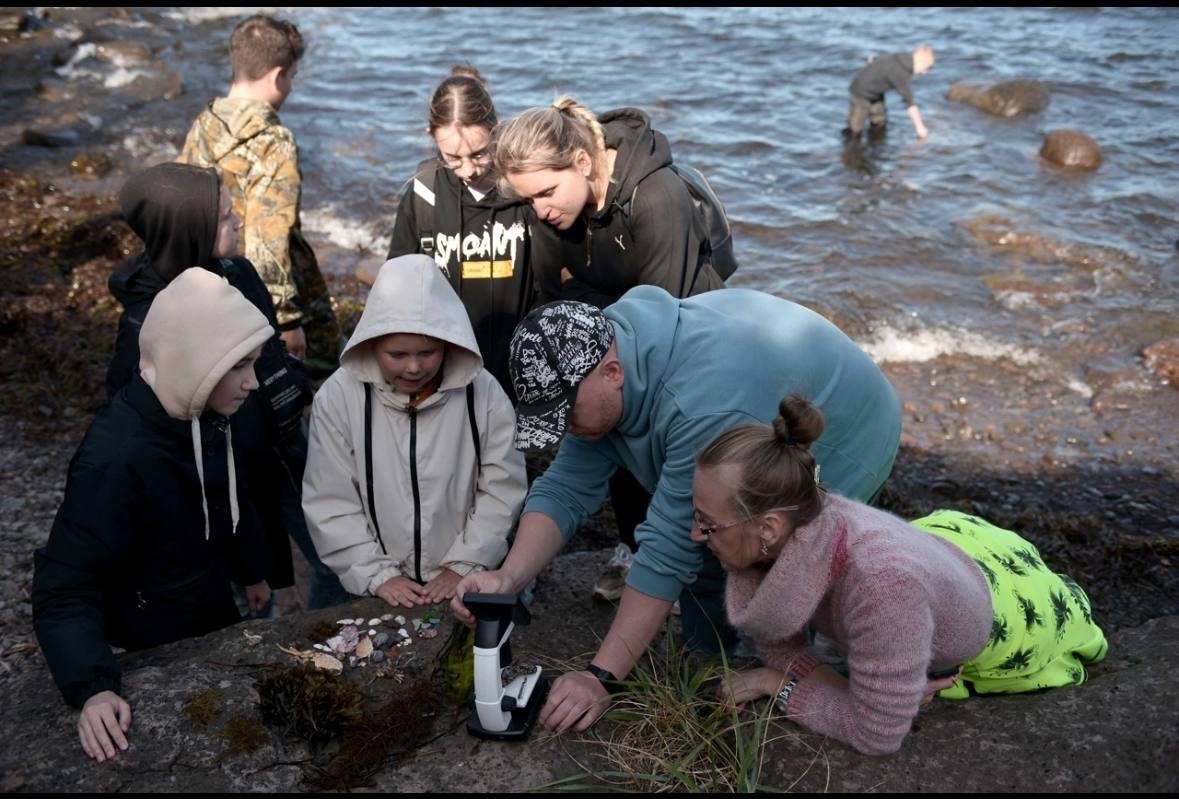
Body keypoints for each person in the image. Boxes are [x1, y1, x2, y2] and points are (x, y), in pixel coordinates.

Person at [451, 285, 903, 733]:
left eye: (566, 415)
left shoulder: (697, 406)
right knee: (708, 535)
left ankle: (806, 683)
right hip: (749, 388)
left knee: (781, 563)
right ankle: (711, 664)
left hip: (847, 422)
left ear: (612, 372)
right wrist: (507, 579)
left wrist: (601, 676)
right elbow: (565, 488)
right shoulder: (600, 357)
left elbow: (668, 549)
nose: (564, 428)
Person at [696, 394, 1109, 755]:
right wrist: (833, 685)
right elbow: (780, 639)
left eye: (707, 523)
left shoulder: (882, 590)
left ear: (767, 528)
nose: (695, 534)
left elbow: (877, 733)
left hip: (994, 612)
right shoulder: (796, 517)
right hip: (940, 553)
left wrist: (777, 685)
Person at [33, 268, 277, 762]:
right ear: (195, 362)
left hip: (209, 606)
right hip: (145, 635)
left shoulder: (207, 412)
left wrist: (252, 570)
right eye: (240, 365)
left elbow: (230, 493)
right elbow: (63, 585)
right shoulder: (116, 458)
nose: (254, 382)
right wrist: (93, 686)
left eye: (255, 363)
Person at [494, 96, 730, 601]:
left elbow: (667, 318)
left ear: (582, 161)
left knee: (655, 436)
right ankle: (630, 541)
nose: (539, 209)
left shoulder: (657, 198)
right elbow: (552, 303)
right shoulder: (550, 207)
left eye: (546, 192)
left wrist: (591, 309)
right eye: (528, 199)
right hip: (614, 327)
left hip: (687, 332)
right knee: (603, 423)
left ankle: (684, 565)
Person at [106, 161, 348, 612]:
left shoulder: (240, 274)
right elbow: (136, 422)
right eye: (223, 216)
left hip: (281, 447)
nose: (239, 221)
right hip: (219, 478)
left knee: (340, 560)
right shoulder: (147, 320)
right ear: (187, 229)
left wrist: (291, 383)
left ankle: (323, 640)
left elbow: (269, 349)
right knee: (249, 590)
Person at [303, 254, 527, 608]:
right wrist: (377, 574)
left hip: (467, 577)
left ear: (449, 343)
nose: (413, 367)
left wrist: (464, 565)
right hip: (378, 585)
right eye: (397, 354)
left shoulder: (482, 393)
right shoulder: (339, 397)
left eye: (428, 352)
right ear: (371, 343)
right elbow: (330, 497)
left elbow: (503, 486)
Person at [178, 13, 342, 378]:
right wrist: (287, 319)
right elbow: (271, 236)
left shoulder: (204, 124)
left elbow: (183, 207)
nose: (291, 87)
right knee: (318, 376)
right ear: (276, 75)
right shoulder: (273, 141)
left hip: (213, 282)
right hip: (268, 291)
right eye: (292, 77)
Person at [385, 65, 538, 402]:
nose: (468, 169)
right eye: (452, 157)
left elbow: (552, 279)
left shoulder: (525, 189)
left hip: (516, 364)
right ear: (432, 137)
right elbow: (396, 287)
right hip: (446, 364)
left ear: (495, 131)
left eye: (479, 154)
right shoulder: (422, 196)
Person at [844, 43, 935, 142]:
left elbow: (874, 60)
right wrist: (920, 128)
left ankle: (877, 151)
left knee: (880, 123)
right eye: (926, 68)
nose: (924, 73)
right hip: (860, 92)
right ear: (919, 61)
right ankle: (850, 153)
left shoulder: (901, 57)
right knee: (855, 129)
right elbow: (909, 103)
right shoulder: (902, 73)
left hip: (876, 92)